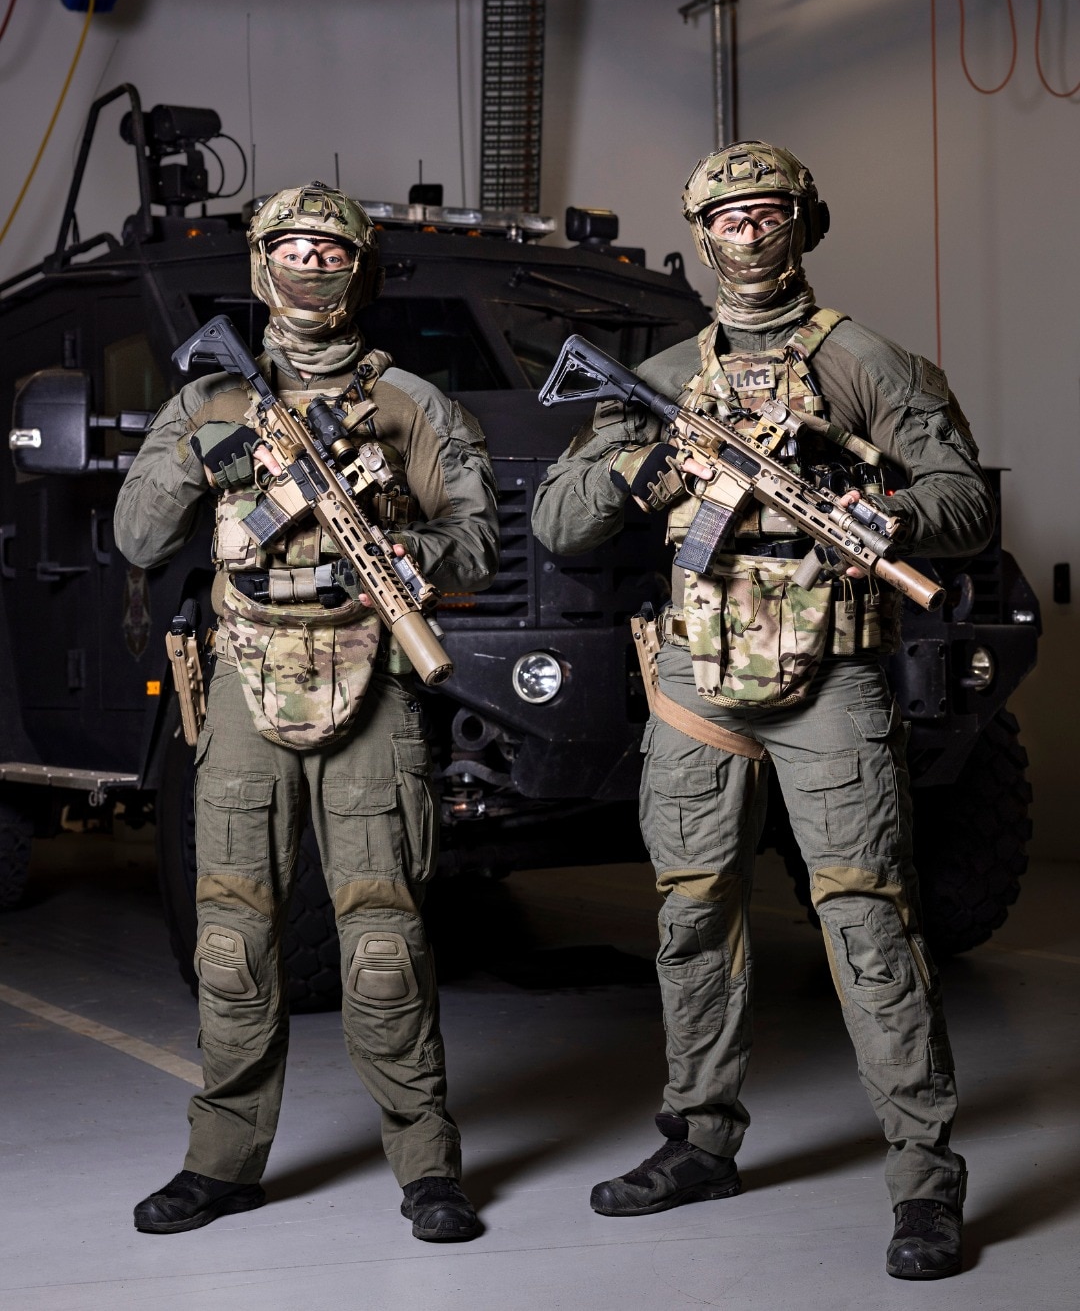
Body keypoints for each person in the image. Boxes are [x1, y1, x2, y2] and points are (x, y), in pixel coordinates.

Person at [531, 141, 994, 1280]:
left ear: (804, 224)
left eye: (768, 211)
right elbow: (560, 521)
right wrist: (646, 476)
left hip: (829, 672)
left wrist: (886, 514)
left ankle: (924, 1183)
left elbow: (964, 499)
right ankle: (699, 1140)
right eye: (727, 216)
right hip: (696, 673)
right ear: (700, 233)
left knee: (867, 919)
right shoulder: (665, 370)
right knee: (691, 912)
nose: (748, 231)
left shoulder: (865, 363)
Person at [115, 183, 499, 1242]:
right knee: (233, 938)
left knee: (385, 940)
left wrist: (393, 551)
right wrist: (209, 457)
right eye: (290, 245)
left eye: (332, 248)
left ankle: (426, 1164)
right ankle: (224, 1161)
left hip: (371, 683)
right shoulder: (205, 400)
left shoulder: (410, 402)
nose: (310, 262)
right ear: (259, 263)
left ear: (361, 268)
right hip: (244, 683)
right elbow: (139, 541)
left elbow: (478, 541)